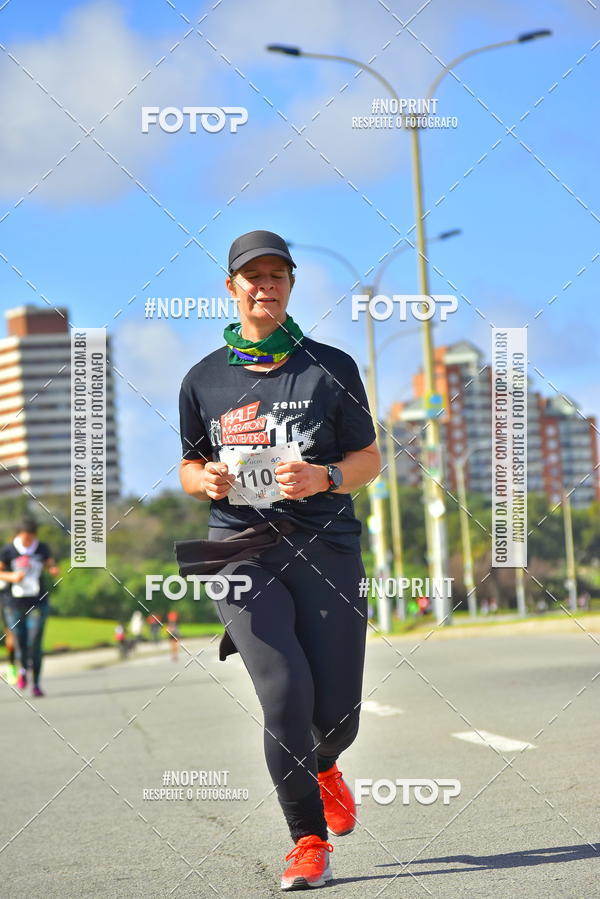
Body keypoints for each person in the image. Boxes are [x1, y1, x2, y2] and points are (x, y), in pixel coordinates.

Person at [178, 231, 381, 891]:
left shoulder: (330, 367)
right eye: (252, 276)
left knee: (338, 714)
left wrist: (323, 475)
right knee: (285, 692)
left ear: (290, 285)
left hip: (325, 547)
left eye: (277, 275)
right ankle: (307, 841)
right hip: (240, 551)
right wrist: (204, 480)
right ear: (231, 288)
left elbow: (369, 460)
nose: (265, 286)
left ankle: (325, 763)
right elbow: (186, 464)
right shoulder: (203, 378)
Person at [0, 518, 59, 697]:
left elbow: (51, 564)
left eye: (31, 537)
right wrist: (12, 577)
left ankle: (37, 683)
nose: (28, 541)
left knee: (35, 641)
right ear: (19, 535)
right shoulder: (8, 550)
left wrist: (53, 569)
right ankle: (23, 670)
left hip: (38, 601)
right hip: (13, 602)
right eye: (25, 537)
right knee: (18, 638)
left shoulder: (42, 548)